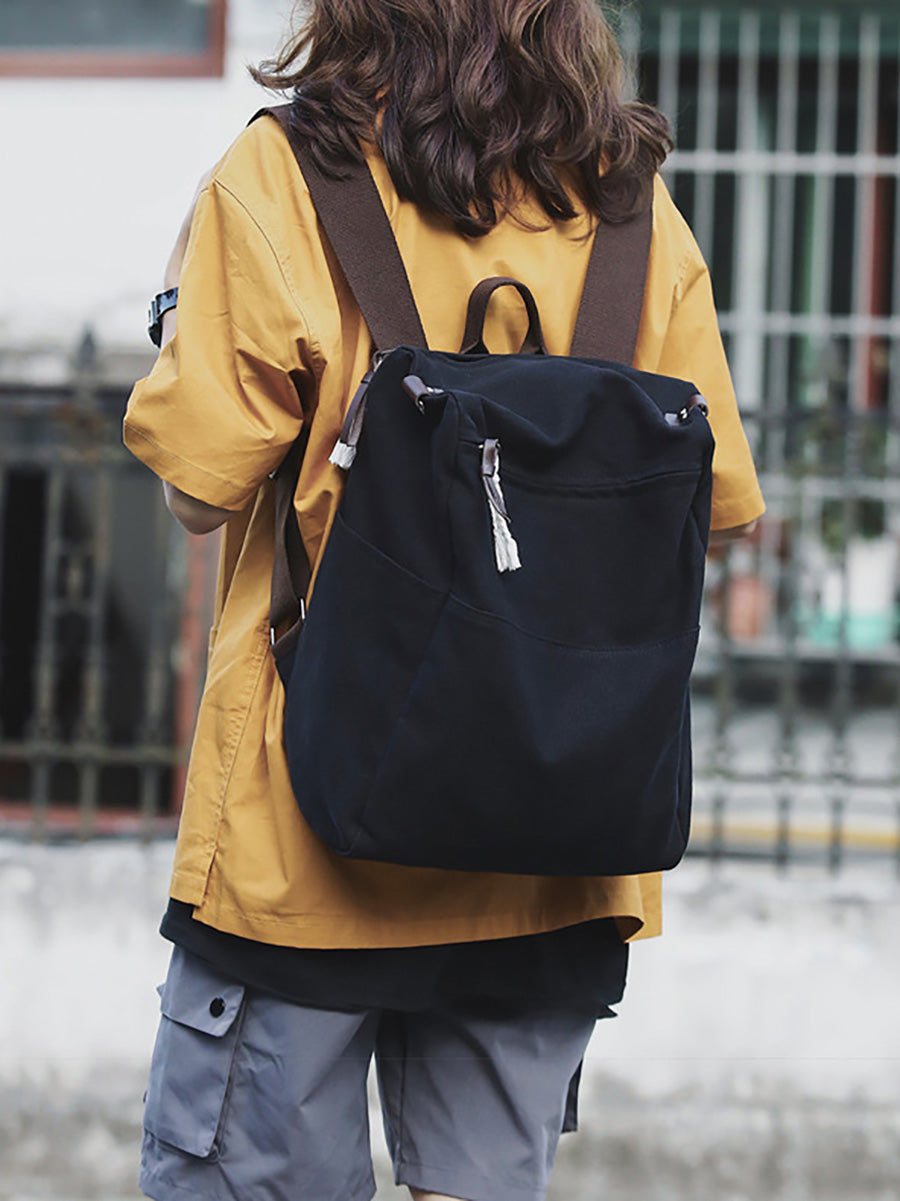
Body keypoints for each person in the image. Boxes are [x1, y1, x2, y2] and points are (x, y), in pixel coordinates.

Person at [124, 3, 765, 1200]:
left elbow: (196, 490)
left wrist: (176, 314)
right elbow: (715, 506)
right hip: (556, 855)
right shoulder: (630, 207)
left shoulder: (284, 174)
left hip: (305, 848)